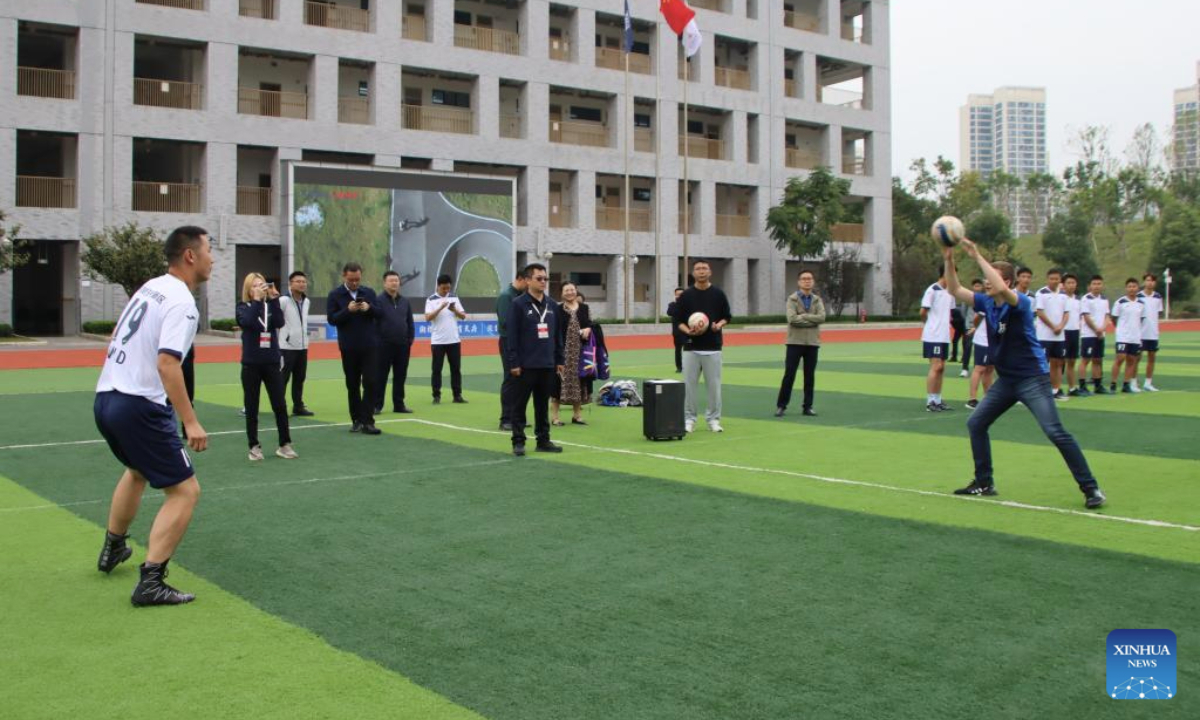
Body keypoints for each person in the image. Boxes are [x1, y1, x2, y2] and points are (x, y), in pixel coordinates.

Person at [94, 226, 212, 606]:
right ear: (190, 256)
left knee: (138, 470)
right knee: (185, 491)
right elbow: (167, 363)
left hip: (107, 398)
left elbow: (116, 334)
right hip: (139, 405)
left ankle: (113, 547)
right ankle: (152, 581)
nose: (213, 258)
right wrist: (189, 420)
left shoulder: (150, 286)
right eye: (209, 250)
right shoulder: (182, 301)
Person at [942, 238, 1106, 509]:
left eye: (990, 278)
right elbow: (955, 288)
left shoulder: (1019, 304)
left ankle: (1091, 488)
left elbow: (1005, 291)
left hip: (1032, 379)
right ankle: (984, 482)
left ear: (1006, 282)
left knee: (1054, 431)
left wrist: (977, 254)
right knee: (976, 423)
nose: (985, 283)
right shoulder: (986, 303)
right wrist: (949, 259)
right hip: (1007, 381)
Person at [236, 273, 298, 462]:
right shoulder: (243, 307)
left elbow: (279, 322)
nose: (260, 288)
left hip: (271, 361)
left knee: (280, 404)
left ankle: (284, 444)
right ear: (248, 289)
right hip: (251, 364)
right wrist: (255, 301)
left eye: (262, 285)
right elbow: (247, 323)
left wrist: (274, 299)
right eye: (255, 285)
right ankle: (254, 446)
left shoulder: (269, 306)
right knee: (252, 406)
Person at [507, 263, 565, 456]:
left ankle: (543, 440)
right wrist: (514, 362)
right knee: (519, 405)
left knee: (542, 405)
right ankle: (518, 441)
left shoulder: (552, 305)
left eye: (545, 279)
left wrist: (559, 359)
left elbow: (557, 335)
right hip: (524, 366)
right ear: (528, 280)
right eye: (539, 278)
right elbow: (512, 336)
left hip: (547, 364)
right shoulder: (518, 304)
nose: (543, 282)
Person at [672, 259, 733, 433]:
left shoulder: (718, 294)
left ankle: (713, 419)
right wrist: (688, 332)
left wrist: (718, 326)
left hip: (713, 346)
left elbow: (726, 317)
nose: (701, 271)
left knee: (714, 387)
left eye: (704, 268)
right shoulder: (686, 296)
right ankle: (689, 419)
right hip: (691, 348)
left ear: (710, 272)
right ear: (693, 273)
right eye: (698, 269)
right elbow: (678, 321)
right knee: (689, 386)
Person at [327, 262, 381, 434]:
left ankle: (368, 420)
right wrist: (347, 310)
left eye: (357, 279)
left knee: (371, 382)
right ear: (344, 276)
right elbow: (332, 319)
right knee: (352, 384)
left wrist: (369, 308)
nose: (355, 283)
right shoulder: (335, 294)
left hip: (370, 345)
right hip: (349, 346)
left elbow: (380, 313)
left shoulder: (369, 292)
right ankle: (356, 419)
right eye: (351, 280)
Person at [774, 269, 825, 418]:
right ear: (799, 282)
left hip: (812, 343)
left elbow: (822, 318)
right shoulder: (792, 299)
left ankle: (808, 406)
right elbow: (792, 319)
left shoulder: (817, 300)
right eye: (803, 279)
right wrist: (811, 320)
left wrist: (804, 316)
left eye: (809, 279)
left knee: (810, 376)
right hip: (794, 342)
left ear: (813, 281)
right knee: (789, 375)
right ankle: (781, 406)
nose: (807, 281)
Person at [551, 282, 592, 426]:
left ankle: (577, 416)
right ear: (562, 293)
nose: (570, 292)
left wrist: (588, 329)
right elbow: (554, 331)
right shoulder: (556, 309)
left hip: (580, 352)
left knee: (579, 382)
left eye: (572, 290)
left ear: (576, 291)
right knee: (558, 384)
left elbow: (590, 324)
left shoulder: (584, 308)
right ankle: (555, 417)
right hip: (563, 352)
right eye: (566, 290)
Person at [374, 270, 415, 414]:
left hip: (403, 346)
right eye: (391, 280)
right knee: (381, 376)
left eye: (396, 281)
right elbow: (374, 323)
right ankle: (377, 405)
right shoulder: (377, 301)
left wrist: (410, 339)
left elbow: (409, 321)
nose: (394, 283)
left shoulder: (405, 301)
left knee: (400, 376)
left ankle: (399, 404)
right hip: (383, 346)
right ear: (384, 283)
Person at [425, 273, 468, 404]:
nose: (446, 290)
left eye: (448, 288)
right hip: (438, 341)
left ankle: (457, 395)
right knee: (436, 369)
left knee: (456, 369)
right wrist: (440, 307)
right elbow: (427, 317)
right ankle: (436, 396)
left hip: (454, 340)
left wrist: (454, 310)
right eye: (444, 288)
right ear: (438, 286)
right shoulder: (431, 299)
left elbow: (463, 316)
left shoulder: (454, 298)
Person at [495, 270, 528, 431]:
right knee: (510, 378)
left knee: (522, 380)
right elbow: (505, 322)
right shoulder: (506, 296)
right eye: (527, 282)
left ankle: (518, 417)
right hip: (509, 342)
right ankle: (505, 419)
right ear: (520, 279)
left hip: (522, 343)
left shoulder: (521, 296)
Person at [279, 271, 314, 417]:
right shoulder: (283, 300)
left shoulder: (306, 302)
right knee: (283, 378)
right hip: (286, 347)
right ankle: (279, 406)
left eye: (304, 282)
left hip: (302, 346)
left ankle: (298, 406)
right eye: (298, 281)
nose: (301, 284)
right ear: (290, 284)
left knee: (300, 378)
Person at [919, 266, 953, 412]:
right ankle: (930, 401)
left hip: (944, 335)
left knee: (942, 367)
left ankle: (938, 400)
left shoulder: (951, 292)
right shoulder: (932, 290)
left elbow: (950, 313)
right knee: (936, 366)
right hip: (933, 335)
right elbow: (923, 311)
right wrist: (930, 325)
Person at [1034, 268, 1070, 400]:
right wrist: (1053, 326)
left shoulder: (1063, 294)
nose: (1055, 281)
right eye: (1052, 279)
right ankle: (1039, 390)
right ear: (1047, 279)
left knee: (1058, 362)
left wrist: (1060, 326)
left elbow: (1066, 313)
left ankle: (1056, 389)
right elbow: (1040, 312)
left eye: (1057, 279)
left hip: (1059, 336)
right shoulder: (1041, 293)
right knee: (1042, 363)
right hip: (1044, 335)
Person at [1109, 278, 1144, 394]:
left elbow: (1141, 319)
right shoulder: (1120, 302)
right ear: (1126, 288)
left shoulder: (1141, 303)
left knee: (1131, 360)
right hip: (1123, 336)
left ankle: (1126, 384)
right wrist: (1120, 329)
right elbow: (1114, 317)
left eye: (1134, 286)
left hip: (1135, 336)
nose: (1132, 289)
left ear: (1138, 288)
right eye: (1129, 286)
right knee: (1120, 358)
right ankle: (1113, 384)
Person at [1078, 275, 1111, 395]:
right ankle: (1082, 386)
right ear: (1090, 286)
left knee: (1097, 360)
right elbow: (1086, 317)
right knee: (1085, 360)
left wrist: (1102, 328)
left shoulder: (1104, 299)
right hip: (1088, 334)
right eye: (1094, 284)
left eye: (1099, 284)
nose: (1097, 286)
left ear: (1102, 285)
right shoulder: (1086, 299)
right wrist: (1096, 329)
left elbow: (1107, 316)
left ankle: (1098, 385)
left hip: (1100, 334)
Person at [965, 279, 994, 410]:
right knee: (980, 368)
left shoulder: (999, 300)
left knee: (989, 369)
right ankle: (972, 399)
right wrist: (976, 328)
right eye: (986, 284)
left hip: (994, 340)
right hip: (983, 339)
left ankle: (988, 398)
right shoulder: (985, 300)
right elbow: (977, 318)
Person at [1137, 273, 1164, 392]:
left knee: (1152, 358)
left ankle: (1148, 383)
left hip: (1153, 332)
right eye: (1147, 280)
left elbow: (1157, 313)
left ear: (1155, 283)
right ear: (1144, 282)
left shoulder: (1158, 297)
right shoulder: (1138, 297)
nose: (1150, 283)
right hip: (1140, 333)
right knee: (1136, 358)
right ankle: (1133, 382)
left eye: (1152, 281)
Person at [1061, 274, 1085, 397]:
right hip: (1063, 332)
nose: (1071, 285)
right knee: (1060, 362)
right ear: (1063, 285)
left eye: (1073, 283)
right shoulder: (1060, 298)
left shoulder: (1078, 300)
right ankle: (1057, 388)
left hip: (1074, 332)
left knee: (1071, 362)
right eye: (1068, 283)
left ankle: (1072, 388)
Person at [666, 287, 685, 373]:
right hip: (677, 332)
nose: (679, 296)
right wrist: (678, 304)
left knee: (689, 350)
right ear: (675, 295)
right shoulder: (672, 305)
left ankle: (690, 367)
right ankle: (679, 367)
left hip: (688, 331)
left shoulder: (689, 305)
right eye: (678, 294)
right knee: (678, 350)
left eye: (681, 294)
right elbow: (670, 312)